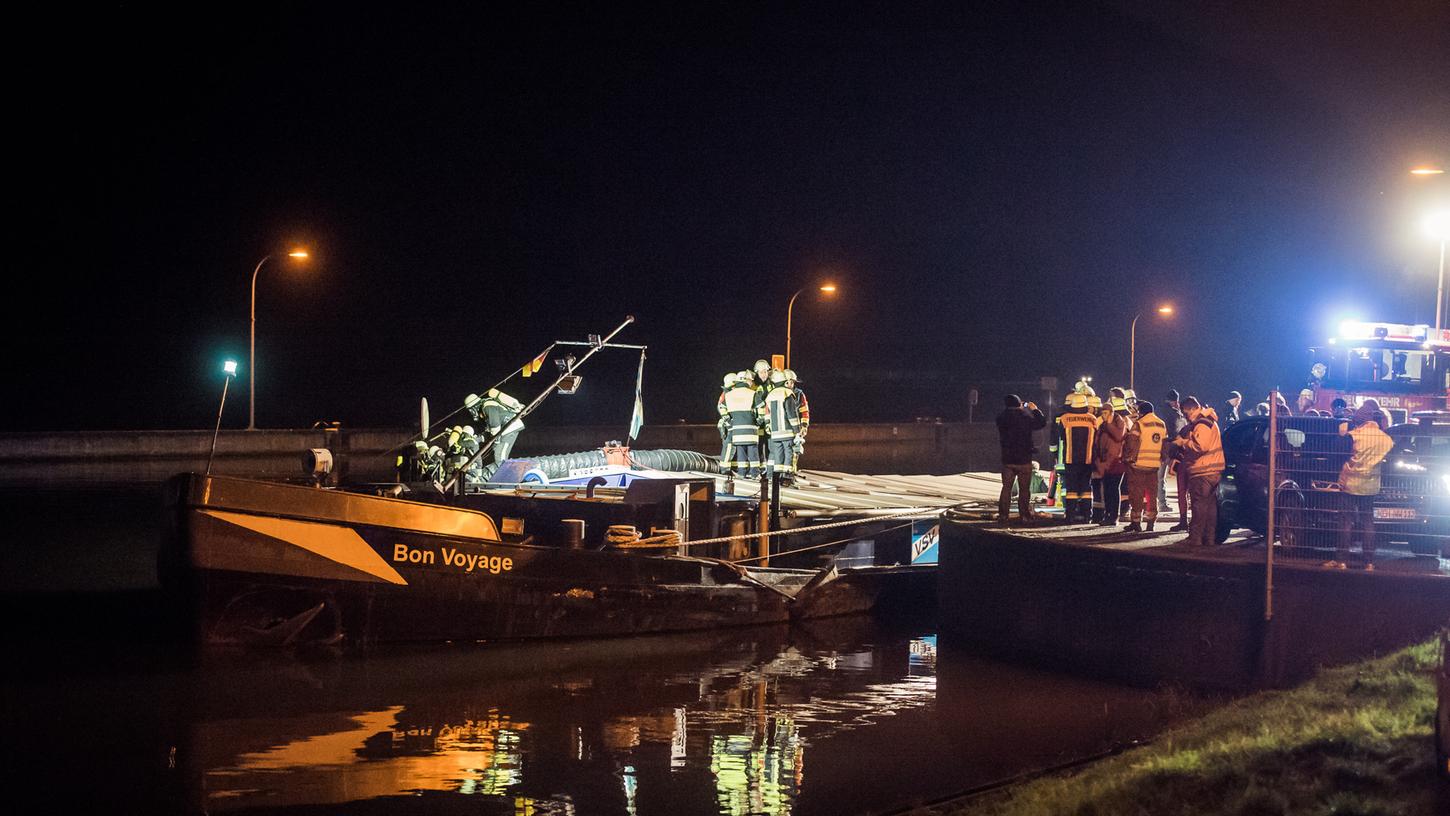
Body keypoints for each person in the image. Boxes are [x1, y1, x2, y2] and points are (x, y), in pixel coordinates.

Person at [1325, 401, 1394, 570]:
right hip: (1371, 486)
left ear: (1360, 419)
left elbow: (1335, 453)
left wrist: (1342, 434)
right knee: (1368, 522)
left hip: (1350, 484)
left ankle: (1341, 560)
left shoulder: (1353, 435)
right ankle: (1369, 561)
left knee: (1345, 522)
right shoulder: (1386, 439)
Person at [1171, 396, 1225, 546]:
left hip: (1202, 470)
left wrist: (1183, 442)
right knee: (1210, 506)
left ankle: (1195, 539)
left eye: (1187, 413)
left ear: (1194, 409)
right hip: (1213, 470)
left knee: (1199, 505)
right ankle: (1209, 538)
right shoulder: (1209, 422)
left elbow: (1200, 446)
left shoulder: (1202, 424)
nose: (1187, 418)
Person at [996, 394, 1047, 522]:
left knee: (1006, 488)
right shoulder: (1025, 417)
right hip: (1024, 459)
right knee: (1024, 490)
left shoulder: (1001, 418)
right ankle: (1025, 516)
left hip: (1007, 460)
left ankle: (1003, 516)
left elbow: (1007, 415)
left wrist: (1018, 407)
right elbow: (1041, 423)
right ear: (1019, 404)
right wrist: (1034, 409)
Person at [1055, 392, 1101, 523]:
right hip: (1088, 459)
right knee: (1086, 488)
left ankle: (1070, 516)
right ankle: (1087, 516)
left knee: (1071, 489)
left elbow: (1062, 438)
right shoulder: (1092, 419)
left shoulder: (1065, 418)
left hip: (1071, 458)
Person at [1121, 400, 1166, 532]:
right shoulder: (1161, 424)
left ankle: (1136, 522)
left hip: (1138, 465)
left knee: (1137, 494)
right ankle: (1151, 523)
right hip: (1154, 465)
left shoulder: (1139, 424)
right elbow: (1165, 445)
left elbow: (1132, 443)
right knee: (1152, 495)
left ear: (1141, 412)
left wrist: (1128, 458)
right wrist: (1161, 459)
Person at [1093, 397, 1129, 526]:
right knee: (1107, 489)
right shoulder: (1102, 425)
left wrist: (1108, 424)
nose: (1104, 415)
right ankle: (1108, 515)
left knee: (1114, 488)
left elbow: (1119, 437)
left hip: (1116, 461)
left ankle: (1114, 516)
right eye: (1102, 413)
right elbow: (1097, 443)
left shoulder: (1119, 422)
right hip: (1105, 462)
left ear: (1112, 412)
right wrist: (1098, 461)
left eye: (1106, 413)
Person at [762, 369, 802, 484]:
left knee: (778, 456)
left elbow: (767, 414)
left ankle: (776, 479)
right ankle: (786, 478)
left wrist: (769, 426)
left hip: (775, 433)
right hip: (787, 431)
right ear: (785, 382)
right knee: (789, 453)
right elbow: (792, 415)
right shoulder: (787, 393)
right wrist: (797, 430)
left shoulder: (770, 395)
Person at [466, 389, 526, 466]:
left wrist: (495, 440)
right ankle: (507, 473)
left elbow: (495, 425)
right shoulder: (486, 406)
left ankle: (505, 476)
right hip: (509, 428)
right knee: (500, 454)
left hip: (509, 428)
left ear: (473, 407)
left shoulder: (487, 406)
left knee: (500, 457)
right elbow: (490, 430)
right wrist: (480, 438)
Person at [720, 372, 762, 476]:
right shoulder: (752, 393)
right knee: (753, 452)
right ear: (746, 380)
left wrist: (728, 420)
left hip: (736, 430)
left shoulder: (729, 394)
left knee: (741, 452)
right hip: (750, 428)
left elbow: (721, 407)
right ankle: (755, 474)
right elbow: (761, 408)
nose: (751, 382)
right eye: (750, 380)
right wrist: (759, 421)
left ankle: (742, 473)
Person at [1159, 389, 1185, 520]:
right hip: (1170, 445)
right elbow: (1175, 429)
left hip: (1167, 445)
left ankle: (1162, 503)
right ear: (1173, 401)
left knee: (1161, 475)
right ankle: (1162, 504)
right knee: (1163, 475)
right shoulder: (1171, 413)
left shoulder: (1164, 411)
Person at [784, 369, 810, 474]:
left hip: (795, 427)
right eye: (788, 381)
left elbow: (804, 410)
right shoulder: (779, 392)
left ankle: (792, 472)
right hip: (783, 427)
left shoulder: (799, 394)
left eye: (792, 382)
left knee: (795, 450)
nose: (791, 384)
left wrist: (804, 426)